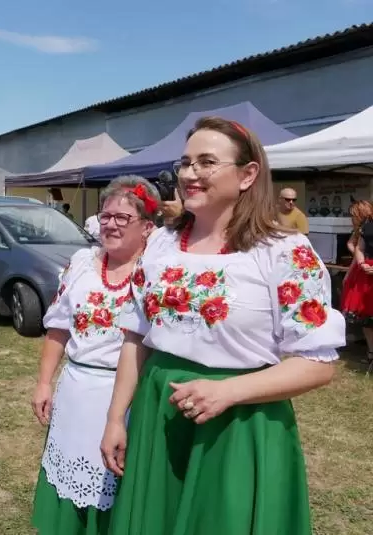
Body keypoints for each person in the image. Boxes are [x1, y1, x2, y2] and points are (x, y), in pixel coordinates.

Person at [100, 117, 346, 535]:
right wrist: (115, 417)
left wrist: (228, 391)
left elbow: (317, 363)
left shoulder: (284, 251)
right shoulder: (160, 244)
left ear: (248, 174)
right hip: (160, 414)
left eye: (207, 162)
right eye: (185, 162)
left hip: (240, 425)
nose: (190, 173)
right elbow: (136, 335)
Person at [31, 176, 159, 534]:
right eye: (106, 216)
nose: (111, 225)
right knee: (70, 475)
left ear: (147, 227)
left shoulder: (157, 271)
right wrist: (44, 382)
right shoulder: (82, 263)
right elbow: (59, 326)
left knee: (118, 480)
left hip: (129, 396)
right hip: (76, 389)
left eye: (122, 218)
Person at [341, 199, 373, 363]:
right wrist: (360, 263)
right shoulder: (364, 228)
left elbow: (354, 247)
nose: (352, 218)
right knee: (366, 317)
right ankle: (371, 352)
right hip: (364, 270)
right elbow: (358, 248)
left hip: (366, 269)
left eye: (354, 215)